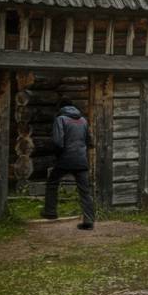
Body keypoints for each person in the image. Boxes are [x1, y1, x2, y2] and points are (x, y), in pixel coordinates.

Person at [42, 97, 96, 230]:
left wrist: (58, 155)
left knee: (52, 182)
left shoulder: (60, 119)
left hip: (65, 159)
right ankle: (88, 221)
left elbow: (58, 142)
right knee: (85, 191)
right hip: (81, 160)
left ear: (60, 108)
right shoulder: (83, 120)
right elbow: (91, 142)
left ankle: (50, 212)